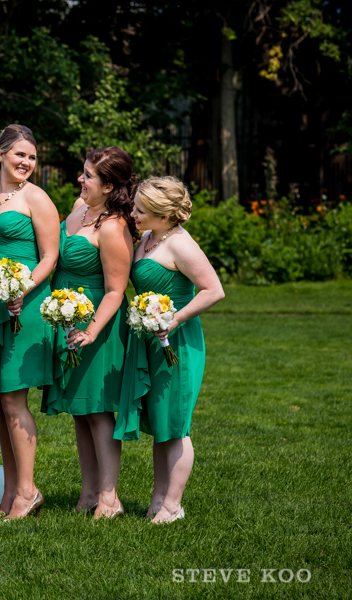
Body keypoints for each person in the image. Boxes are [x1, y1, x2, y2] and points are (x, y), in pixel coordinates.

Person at [115, 176, 224, 524]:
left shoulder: (181, 244)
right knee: (161, 424)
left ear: (164, 216)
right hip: (150, 339)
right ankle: (158, 498)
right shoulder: (148, 236)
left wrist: (173, 320)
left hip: (177, 342)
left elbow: (213, 290)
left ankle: (174, 506)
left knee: (176, 424)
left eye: (141, 210)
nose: (134, 213)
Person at [41, 146, 135, 519]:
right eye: (82, 172)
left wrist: (92, 331)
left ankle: (110, 498)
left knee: (98, 411)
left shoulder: (113, 228)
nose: (80, 179)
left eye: (88, 176)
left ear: (109, 186)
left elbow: (116, 290)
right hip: (68, 319)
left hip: (98, 324)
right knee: (80, 410)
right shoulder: (79, 210)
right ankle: (88, 492)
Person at [0, 125, 60, 519]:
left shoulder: (37, 198)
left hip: (25, 304)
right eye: (20, 155)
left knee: (13, 397)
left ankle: (28, 490)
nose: (27, 163)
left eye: (32, 157)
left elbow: (49, 257)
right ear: (0, 155)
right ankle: (11, 492)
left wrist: (22, 289)